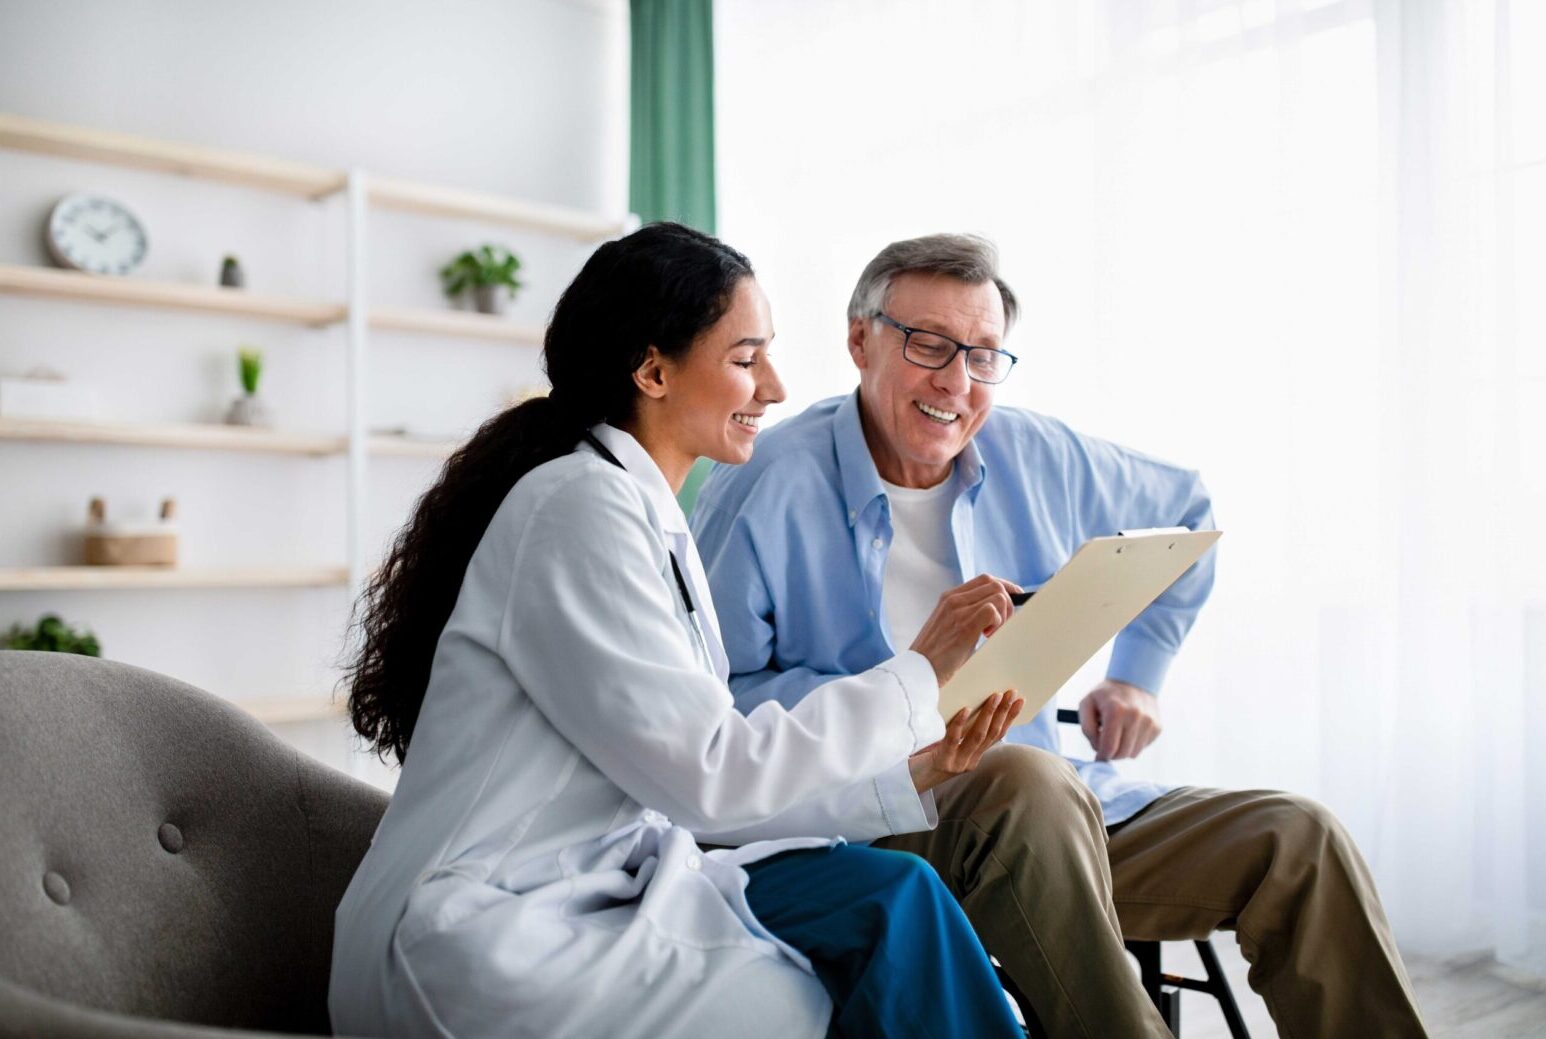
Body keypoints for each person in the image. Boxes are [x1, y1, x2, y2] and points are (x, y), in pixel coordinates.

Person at [691, 233, 1431, 1038]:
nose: (956, 382)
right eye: (929, 344)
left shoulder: (1037, 452)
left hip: (1063, 814)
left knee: (1299, 839)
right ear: (860, 339)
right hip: (878, 818)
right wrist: (908, 688)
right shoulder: (764, 483)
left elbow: (1188, 511)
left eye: (982, 356)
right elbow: (715, 709)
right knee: (1024, 779)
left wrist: (1137, 674)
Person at [328, 223, 1029, 1039]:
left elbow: (694, 786)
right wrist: (917, 673)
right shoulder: (577, 509)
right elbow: (710, 777)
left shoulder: (643, 514)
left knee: (894, 901)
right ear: (653, 369)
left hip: (596, 886)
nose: (774, 386)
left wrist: (909, 772)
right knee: (845, 968)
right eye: (745, 358)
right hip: (476, 930)